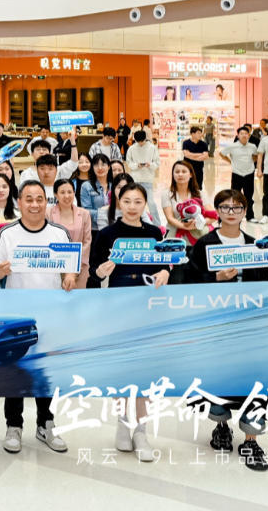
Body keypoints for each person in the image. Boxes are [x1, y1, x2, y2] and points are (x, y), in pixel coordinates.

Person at [185, 190, 268, 471]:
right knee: (217, 377)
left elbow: (263, 282)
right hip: (216, 326)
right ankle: (221, 427)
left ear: (245, 211)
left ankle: (251, 439)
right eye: (225, 207)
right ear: (217, 211)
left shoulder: (254, 245)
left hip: (249, 327)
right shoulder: (205, 244)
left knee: (256, 378)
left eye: (237, 207)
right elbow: (188, 282)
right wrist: (215, 277)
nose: (231, 212)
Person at [88, 182, 170, 460]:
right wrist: (101, 271)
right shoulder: (107, 234)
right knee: (122, 367)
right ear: (118, 203)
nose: (132, 207)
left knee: (145, 369)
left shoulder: (154, 233)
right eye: (127, 201)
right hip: (118, 306)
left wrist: (165, 271)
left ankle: (141, 431)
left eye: (138, 202)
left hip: (148, 306)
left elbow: (164, 262)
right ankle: (123, 424)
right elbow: (94, 271)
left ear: (145, 204)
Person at [0, 181, 72, 454]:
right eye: (29, 199)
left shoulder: (59, 233)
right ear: (19, 202)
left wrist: (70, 278)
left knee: (45, 371)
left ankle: (46, 423)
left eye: (39, 199)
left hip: (50, 313)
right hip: (16, 317)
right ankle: (13, 425)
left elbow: (69, 269)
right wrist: (0, 271)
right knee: (15, 370)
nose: (35, 204)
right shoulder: (7, 233)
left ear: (46, 202)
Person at [48, 178, 91, 289]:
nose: (67, 196)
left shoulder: (84, 214)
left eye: (69, 192)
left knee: (77, 298)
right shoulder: (48, 213)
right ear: (55, 194)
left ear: (74, 192)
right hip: (54, 269)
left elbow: (87, 242)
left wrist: (73, 272)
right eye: (62, 192)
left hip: (79, 269)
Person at [161, 160, 210, 244]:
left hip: (197, 235)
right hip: (174, 235)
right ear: (173, 175)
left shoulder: (200, 194)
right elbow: (170, 218)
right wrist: (185, 227)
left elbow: (212, 216)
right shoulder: (167, 194)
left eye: (184, 171)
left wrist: (199, 223)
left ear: (191, 174)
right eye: (177, 172)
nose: (180, 174)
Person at [218, 126, 258, 221]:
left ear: (249, 135)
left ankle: (250, 216)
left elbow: (256, 156)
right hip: (237, 174)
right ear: (238, 135)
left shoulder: (252, 146)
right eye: (241, 134)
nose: (244, 135)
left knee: (249, 196)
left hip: (249, 174)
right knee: (235, 196)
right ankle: (235, 215)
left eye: (246, 134)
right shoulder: (232, 146)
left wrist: (251, 162)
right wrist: (230, 161)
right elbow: (221, 154)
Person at [78, 154, 111, 234]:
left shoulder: (114, 186)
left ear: (109, 167)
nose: (100, 168)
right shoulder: (86, 186)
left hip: (113, 227)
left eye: (103, 164)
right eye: (96, 165)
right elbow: (86, 211)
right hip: (95, 229)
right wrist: (104, 212)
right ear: (92, 168)